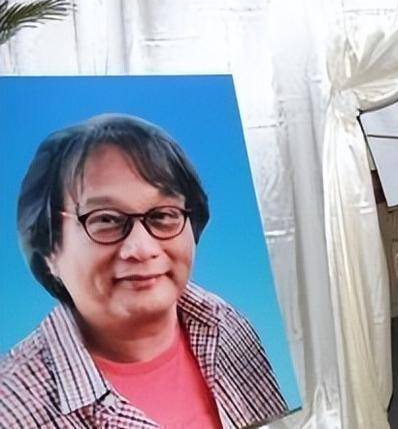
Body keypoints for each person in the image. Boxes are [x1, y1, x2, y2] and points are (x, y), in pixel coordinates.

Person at [1, 114, 288, 428]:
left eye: (163, 215)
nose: (142, 248)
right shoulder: (12, 411)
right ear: (48, 248)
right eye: (105, 219)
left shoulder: (226, 326)